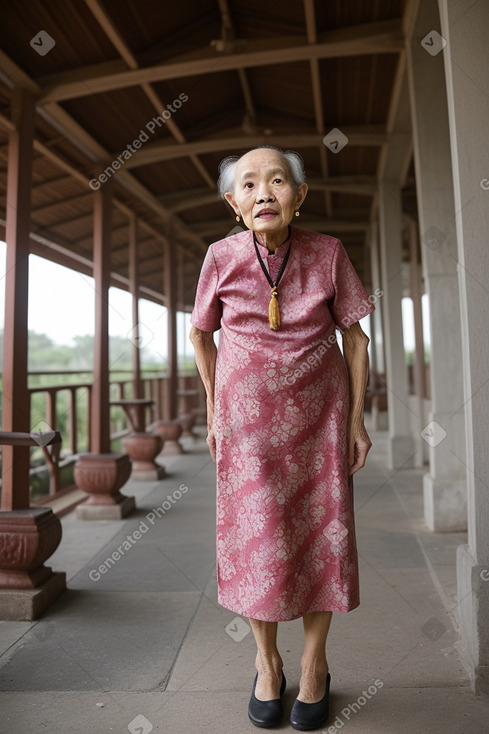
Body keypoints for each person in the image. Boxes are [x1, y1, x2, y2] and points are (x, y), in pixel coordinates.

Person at [189, 145, 374, 731]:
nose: (264, 191)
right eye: (249, 184)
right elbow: (201, 335)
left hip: (320, 419)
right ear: (233, 204)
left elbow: (356, 337)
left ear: (300, 196)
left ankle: (315, 665)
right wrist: (217, 411)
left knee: (323, 535)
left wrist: (356, 419)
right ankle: (267, 663)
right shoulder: (220, 257)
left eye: (277, 181)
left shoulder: (328, 253)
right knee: (258, 541)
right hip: (247, 427)